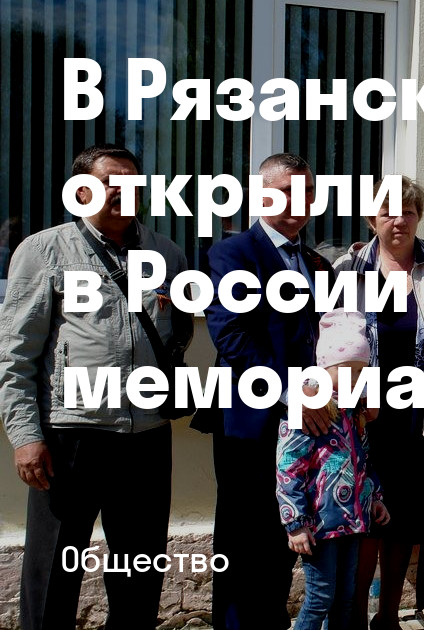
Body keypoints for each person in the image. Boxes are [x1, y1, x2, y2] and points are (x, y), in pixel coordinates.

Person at [0, 144, 192, 630]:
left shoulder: (167, 252)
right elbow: (16, 354)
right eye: (111, 183)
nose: (123, 192)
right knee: (53, 569)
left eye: (132, 183)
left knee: (139, 572)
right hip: (71, 434)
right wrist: (25, 436)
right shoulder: (43, 251)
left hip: (146, 436)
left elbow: (175, 336)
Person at [334, 176, 424, 630]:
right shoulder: (347, 268)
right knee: (364, 519)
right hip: (363, 416)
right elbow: (330, 341)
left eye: (408, 211)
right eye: (388, 212)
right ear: (370, 219)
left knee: (402, 520)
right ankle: (355, 616)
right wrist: (352, 394)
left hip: (417, 416)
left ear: (419, 216)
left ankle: (389, 617)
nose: (399, 220)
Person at [205, 152, 333, 630]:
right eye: (286, 192)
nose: (299, 202)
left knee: (286, 535)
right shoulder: (233, 253)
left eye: (307, 192)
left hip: (307, 422)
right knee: (243, 540)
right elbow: (231, 334)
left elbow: (328, 337)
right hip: (252, 422)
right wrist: (291, 393)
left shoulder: (318, 263)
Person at [278, 308, 391, 630]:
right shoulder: (308, 411)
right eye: (349, 371)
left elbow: (362, 462)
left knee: (345, 596)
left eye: (362, 371)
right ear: (325, 367)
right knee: (320, 597)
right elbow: (288, 470)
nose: (357, 379)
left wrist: (374, 498)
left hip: (352, 523)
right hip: (319, 527)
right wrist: (295, 523)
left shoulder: (354, 415)